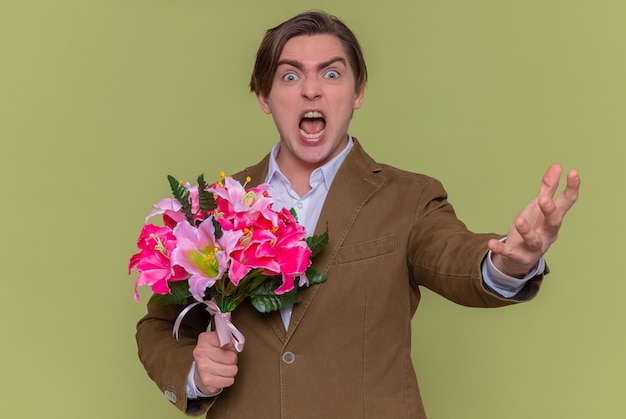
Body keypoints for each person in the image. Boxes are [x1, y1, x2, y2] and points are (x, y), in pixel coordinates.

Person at [135, 10, 580, 418]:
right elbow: (159, 324)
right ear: (264, 96)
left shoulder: (409, 197)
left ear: (358, 92)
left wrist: (509, 262)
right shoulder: (214, 206)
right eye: (290, 76)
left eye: (331, 73)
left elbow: (453, 256)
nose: (312, 89)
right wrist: (193, 375)